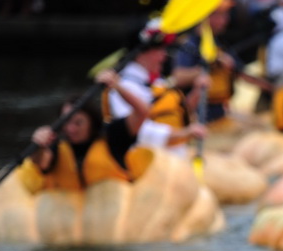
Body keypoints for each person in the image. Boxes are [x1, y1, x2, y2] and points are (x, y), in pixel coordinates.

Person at [26, 70, 151, 190]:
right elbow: (41, 162)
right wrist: (39, 146)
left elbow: (142, 112)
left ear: (91, 121)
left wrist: (116, 86)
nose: (71, 129)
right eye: (66, 122)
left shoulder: (112, 135)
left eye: (78, 123)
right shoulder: (57, 145)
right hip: (72, 208)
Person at [106, 18, 208, 157]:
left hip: (175, 157)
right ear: (141, 53)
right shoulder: (123, 86)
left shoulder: (157, 81)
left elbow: (180, 113)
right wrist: (187, 133)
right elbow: (141, 133)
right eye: (159, 49)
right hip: (146, 164)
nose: (164, 55)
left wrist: (197, 91)